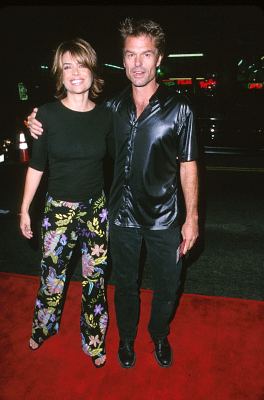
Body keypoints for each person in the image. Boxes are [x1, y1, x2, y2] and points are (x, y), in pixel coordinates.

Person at [27, 17, 199, 369]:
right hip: (120, 215)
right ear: (122, 60)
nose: (138, 63)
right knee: (124, 287)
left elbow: (188, 164)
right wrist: (33, 119)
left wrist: (192, 217)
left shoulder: (180, 108)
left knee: (168, 287)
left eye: (146, 55)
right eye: (130, 55)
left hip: (165, 216)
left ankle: (159, 335)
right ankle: (125, 340)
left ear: (159, 59)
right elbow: (73, 116)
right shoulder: (112, 110)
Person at [20, 38, 111, 368]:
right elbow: (36, 165)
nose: (75, 73)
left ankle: (94, 340)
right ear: (60, 73)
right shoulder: (45, 115)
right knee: (52, 279)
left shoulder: (106, 117)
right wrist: (24, 209)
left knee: (95, 280)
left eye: (82, 64)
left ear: (92, 71)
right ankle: (44, 327)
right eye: (67, 66)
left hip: (96, 212)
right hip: (57, 211)